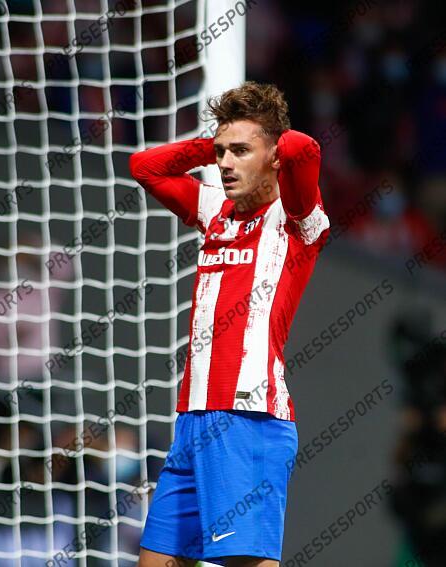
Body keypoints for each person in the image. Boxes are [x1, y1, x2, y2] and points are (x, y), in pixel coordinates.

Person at [129, 82, 331, 566]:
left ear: (273, 155)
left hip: (249, 418)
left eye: (240, 151)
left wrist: (266, 141)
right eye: (220, 153)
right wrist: (214, 144)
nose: (224, 163)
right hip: (193, 418)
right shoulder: (213, 211)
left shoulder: (296, 219)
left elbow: (307, 148)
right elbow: (144, 166)